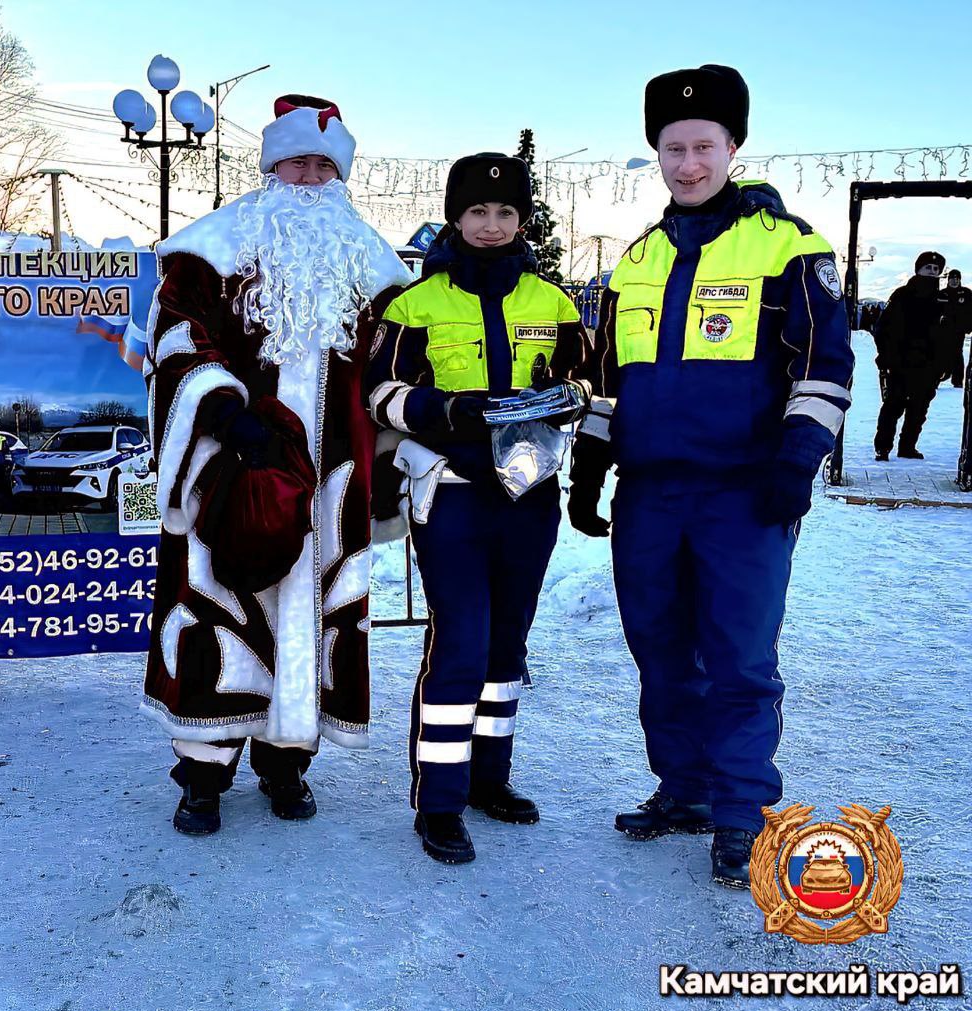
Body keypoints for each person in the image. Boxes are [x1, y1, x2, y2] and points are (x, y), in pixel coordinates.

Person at [567, 65, 853, 888]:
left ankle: (742, 815)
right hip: (652, 493)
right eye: (672, 147)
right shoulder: (638, 259)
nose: (688, 163)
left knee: (738, 659)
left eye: (703, 146)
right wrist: (590, 466)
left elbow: (824, 366)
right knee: (659, 651)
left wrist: (797, 462)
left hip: (744, 492)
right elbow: (610, 380)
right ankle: (684, 790)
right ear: (654, 151)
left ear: (734, 147)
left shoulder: (788, 247)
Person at [141, 95, 410, 836]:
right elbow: (176, 340)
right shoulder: (212, 249)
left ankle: (286, 762)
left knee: (318, 611)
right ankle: (202, 772)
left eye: (326, 164)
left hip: (332, 481)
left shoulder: (376, 267)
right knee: (217, 606)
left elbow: (397, 365)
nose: (310, 175)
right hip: (230, 470)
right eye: (297, 160)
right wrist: (224, 413)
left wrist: (392, 462)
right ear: (269, 164)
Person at [364, 153, 590, 865]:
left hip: (529, 498)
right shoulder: (412, 304)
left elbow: (588, 380)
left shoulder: (552, 301)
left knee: (506, 647)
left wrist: (565, 397)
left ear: (523, 220)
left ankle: (491, 779)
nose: (491, 226)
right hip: (451, 495)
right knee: (460, 644)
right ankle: (439, 800)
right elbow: (380, 395)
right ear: (455, 218)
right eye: (477, 213)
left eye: (506, 213)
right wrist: (450, 409)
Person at [873, 251, 949, 459]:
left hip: (928, 365)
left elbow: (948, 336)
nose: (932, 272)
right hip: (900, 362)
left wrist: (944, 364)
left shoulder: (942, 300)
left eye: (936, 269)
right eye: (928, 268)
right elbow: (883, 329)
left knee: (918, 410)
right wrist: (886, 357)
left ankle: (907, 447)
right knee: (892, 407)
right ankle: (883, 447)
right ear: (918, 269)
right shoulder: (901, 295)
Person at [937, 268, 970, 389]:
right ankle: (941, 375)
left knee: (957, 353)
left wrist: (968, 326)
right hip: (943, 330)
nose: (955, 281)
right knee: (942, 353)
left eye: (957, 279)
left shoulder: (966, 293)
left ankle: (957, 381)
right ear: (948, 280)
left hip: (959, 330)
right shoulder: (942, 294)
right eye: (952, 279)